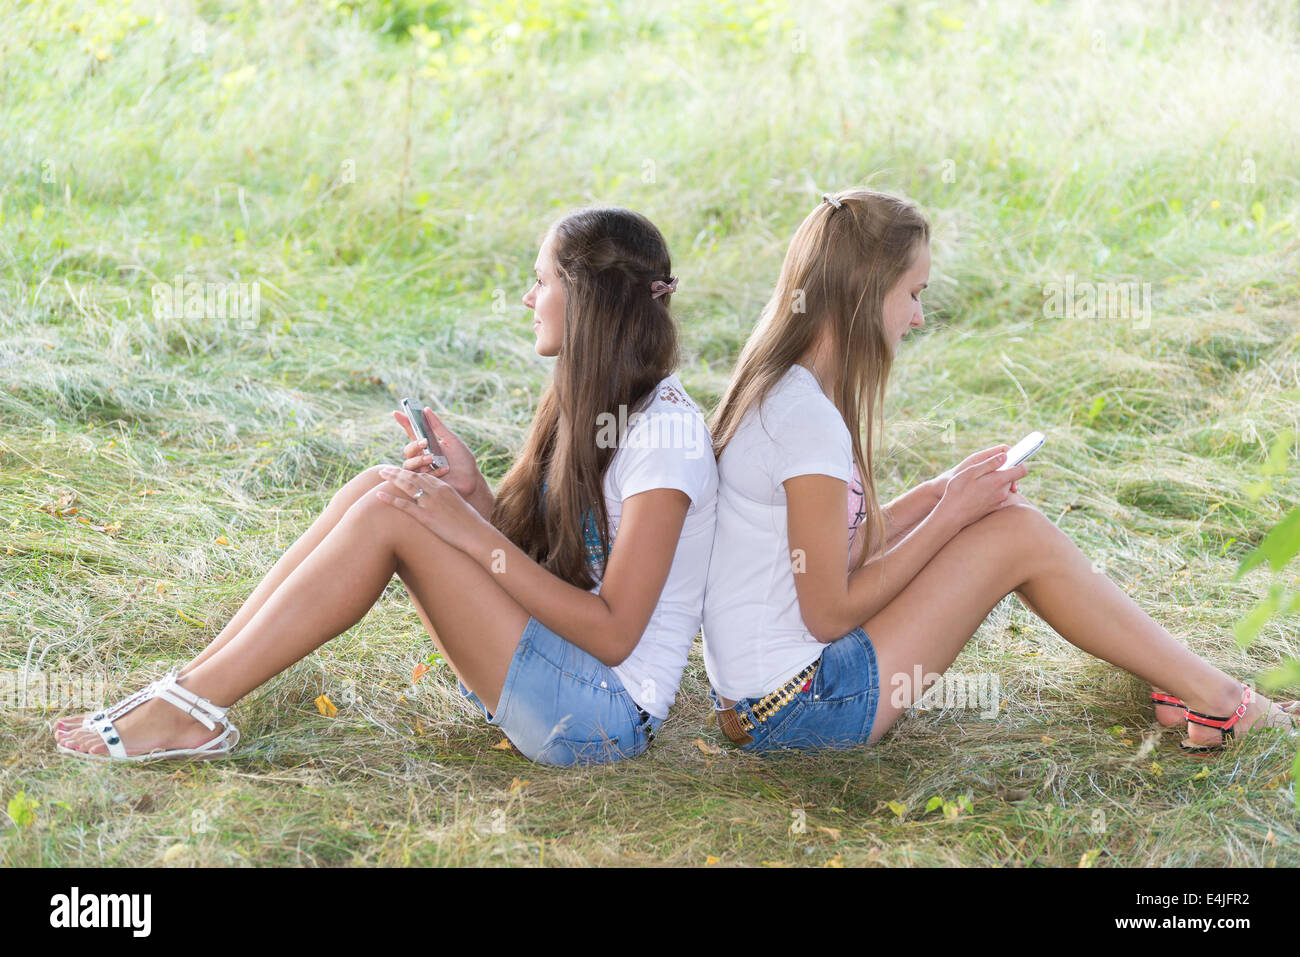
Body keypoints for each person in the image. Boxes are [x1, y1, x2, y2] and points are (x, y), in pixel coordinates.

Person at [55, 207, 718, 766]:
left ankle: (192, 709)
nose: (527, 298)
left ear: (585, 296)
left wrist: (463, 530)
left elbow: (613, 633)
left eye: (540, 280)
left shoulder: (668, 439)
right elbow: (558, 562)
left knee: (393, 516)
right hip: (563, 667)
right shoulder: (591, 395)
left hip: (603, 715)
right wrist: (474, 497)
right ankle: (189, 688)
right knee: (384, 483)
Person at [701, 188, 1297, 755]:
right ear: (864, 292)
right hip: (797, 709)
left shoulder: (789, 392)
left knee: (1008, 523)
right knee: (1016, 535)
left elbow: (839, 547)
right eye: (913, 293)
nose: (919, 317)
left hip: (767, 698)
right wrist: (949, 516)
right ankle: (1215, 700)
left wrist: (939, 495)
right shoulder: (805, 421)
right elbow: (828, 610)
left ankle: (1191, 688)